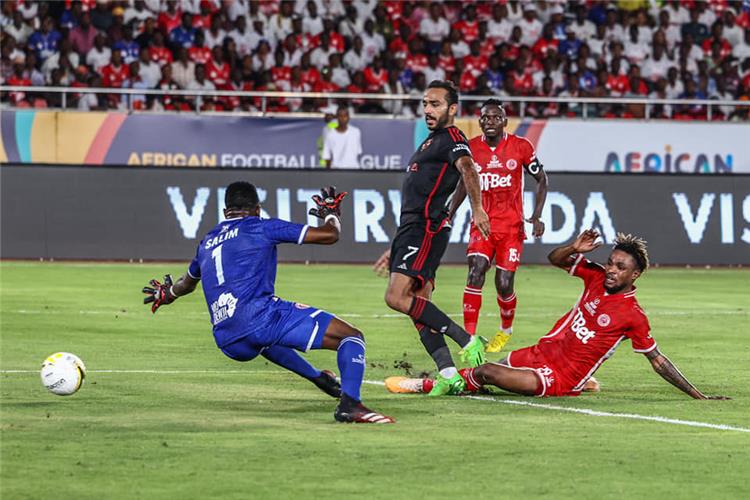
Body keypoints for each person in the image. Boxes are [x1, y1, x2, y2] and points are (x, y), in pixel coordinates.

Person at [142, 182, 394, 424]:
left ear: (224, 212)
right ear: (258, 209)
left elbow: (186, 284)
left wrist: (167, 295)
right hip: (259, 317)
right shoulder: (261, 226)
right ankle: (351, 405)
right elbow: (329, 235)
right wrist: (331, 214)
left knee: (262, 340)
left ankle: (318, 379)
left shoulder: (207, 241)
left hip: (227, 338)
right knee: (351, 337)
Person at [386, 231, 730, 401]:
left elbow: (656, 360)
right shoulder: (595, 277)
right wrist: (574, 248)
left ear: (635, 275)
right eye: (611, 262)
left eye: (620, 267)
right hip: (540, 352)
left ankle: (428, 384)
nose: (611, 270)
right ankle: (585, 381)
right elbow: (555, 259)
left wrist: (698, 395)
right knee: (499, 366)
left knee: (489, 372)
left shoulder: (633, 315)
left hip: (558, 376)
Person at [383, 80, 491, 397]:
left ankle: (466, 339)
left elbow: (469, 170)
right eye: (426, 104)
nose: (428, 110)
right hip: (414, 228)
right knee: (420, 307)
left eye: (436, 104)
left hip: (424, 227)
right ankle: (449, 374)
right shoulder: (432, 142)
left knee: (396, 297)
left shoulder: (453, 138)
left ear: (452, 109)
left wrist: (477, 209)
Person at [448, 99, 548, 353]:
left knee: (504, 283)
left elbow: (541, 179)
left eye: (495, 117)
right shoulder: (470, 149)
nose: (490, 122)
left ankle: (505, 330)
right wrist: (449, 213)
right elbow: (463, 184)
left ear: (504, 121)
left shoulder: (521, 147)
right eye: (485, 117)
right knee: (476, 270)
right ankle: (469, 340)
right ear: (479, 121)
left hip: (512, 228)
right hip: (482, 224)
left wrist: (536, 215)